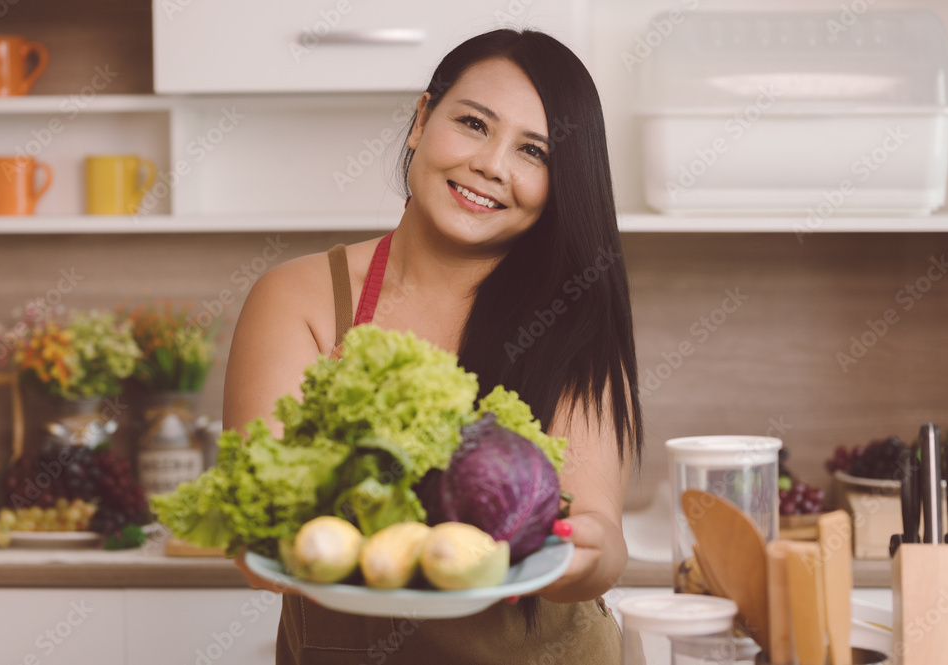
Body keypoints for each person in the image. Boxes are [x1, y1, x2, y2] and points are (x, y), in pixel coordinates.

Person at [223, 28, 642, 665]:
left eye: (535, 152)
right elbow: (257, 529)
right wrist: (266, 537)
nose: (493, 165)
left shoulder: (570, 312)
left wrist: (595, 556)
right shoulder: (301, 300)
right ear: (422, 119)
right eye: (474, 123)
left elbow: (597, 532)